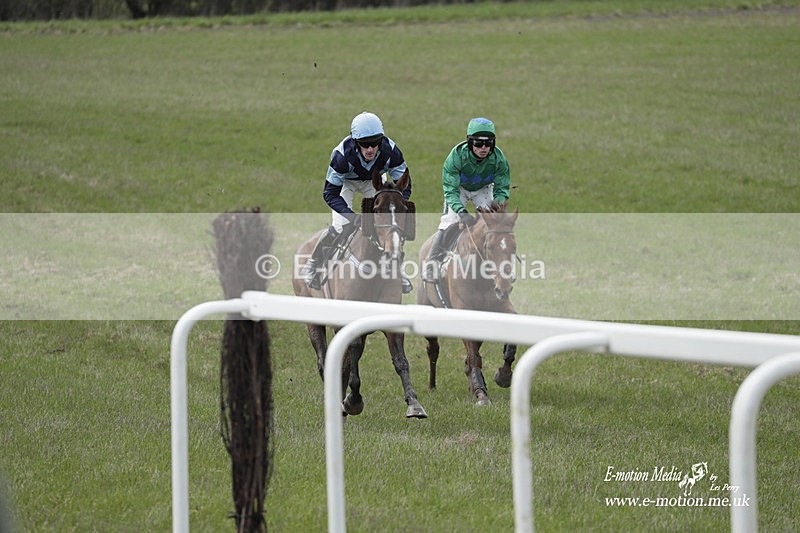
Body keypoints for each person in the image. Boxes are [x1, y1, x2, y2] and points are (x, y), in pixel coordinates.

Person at [302, 111, 413, 292]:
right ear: (355, 143)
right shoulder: (342, 156)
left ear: (381, 141)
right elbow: (330, 193)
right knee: (341, 227)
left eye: (375, 143)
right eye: (364, 145)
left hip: (373, 183)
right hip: (346, 183)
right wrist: (352, 217)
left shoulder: (391, 151)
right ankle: (313, 264)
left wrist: (394, 205)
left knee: (385, 226)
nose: (370, 149)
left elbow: (405, 186)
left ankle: (397, 270)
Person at [423, 117, 511, 281]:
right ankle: (432, 262)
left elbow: (502, 186)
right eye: (478, 144)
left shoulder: (499, 159)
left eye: (488, 144)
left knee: (497, 223)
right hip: (459, 189)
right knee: (449, 221)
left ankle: (503, 265)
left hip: (483, 189)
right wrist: (462, 212)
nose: (483, 148)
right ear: (470, 143)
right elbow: (450, 189)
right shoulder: (456, 157)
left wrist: (497, 205)